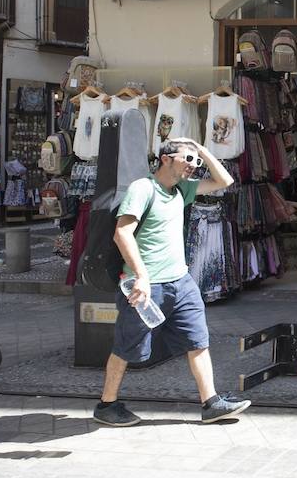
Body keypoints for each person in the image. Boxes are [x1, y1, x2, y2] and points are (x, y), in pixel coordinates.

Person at [94, 138, 251, 426]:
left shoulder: (182, 190)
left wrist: (200, 149)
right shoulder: (143, 189)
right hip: (146, 287)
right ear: (165, 158)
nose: (194, 166)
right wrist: (141, 276)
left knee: (198, 341)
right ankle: (107, 404)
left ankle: (211, 403)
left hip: (181, 282)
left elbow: (224, 181)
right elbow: (122, 234)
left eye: (196, 162)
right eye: (187, 160)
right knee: (127, 347)